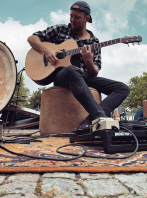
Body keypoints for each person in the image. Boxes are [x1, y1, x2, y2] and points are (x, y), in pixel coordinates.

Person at [27, 1, 130, 130]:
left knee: (123, 88)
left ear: (87, 18)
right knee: (72, 70)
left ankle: (90, 120)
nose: (72, 20)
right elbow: (32, 39)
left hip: (84, 78)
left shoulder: (94, 41)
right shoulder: (61, 29)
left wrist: (88, 61)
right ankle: (100, 117)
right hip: (62, 75)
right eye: (71, 16)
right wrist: (47, 51)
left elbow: (94, 72)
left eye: (77, 17)